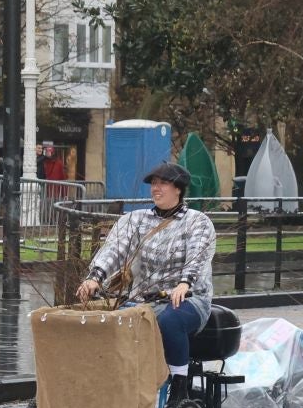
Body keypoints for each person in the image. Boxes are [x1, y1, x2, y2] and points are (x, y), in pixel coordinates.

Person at [75, 163, 216, 394]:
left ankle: (179, 388)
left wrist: (184, 283)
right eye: (153, 183)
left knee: (171, 320)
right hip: (145, 299)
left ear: (178, 189)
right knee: (111, 324)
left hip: (189, 299)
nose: (156, 188)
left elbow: (198, 255)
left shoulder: (197, 221)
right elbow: (115, 250)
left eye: (163, 183)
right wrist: (95, 277)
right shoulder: (136, 220)